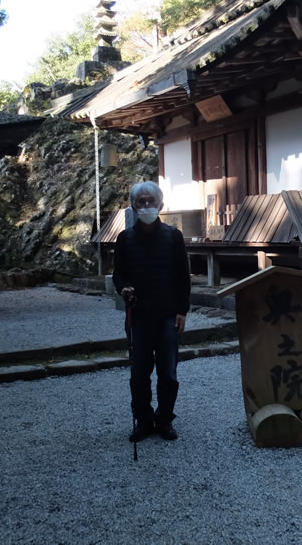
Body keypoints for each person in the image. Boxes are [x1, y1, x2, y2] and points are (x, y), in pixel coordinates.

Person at [113, 181, 190, 442]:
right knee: (139, 373)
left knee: (168, 372)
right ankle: (144, 420)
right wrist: (123, 288)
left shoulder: (173, 236)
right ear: (134, 206)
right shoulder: (125, 239)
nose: (146, 205)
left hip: (168, 315)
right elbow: (118, 275)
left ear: (161, 205)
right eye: (141, 201)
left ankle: (165, 419)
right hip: (139, 316)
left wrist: (182, 311)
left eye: (151, 201)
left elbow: (183, 277)